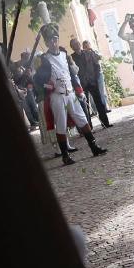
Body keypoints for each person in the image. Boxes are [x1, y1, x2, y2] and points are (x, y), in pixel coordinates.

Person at [33, 26, 107, 166]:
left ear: (57, 40)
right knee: (61, 125)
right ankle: (65, 156)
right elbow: (37, 80)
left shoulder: (64, 55)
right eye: (50, 41)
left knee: (83, 119)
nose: (53, 43)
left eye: (55, 40)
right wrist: (50, 86)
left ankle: (94, 147)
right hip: (57, 96)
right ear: (47, 43)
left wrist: (79, 90)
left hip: (70, 93)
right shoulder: (44, 59)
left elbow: (71, 75)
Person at [71, 38, 112, 128]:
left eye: (77, 43)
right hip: (81, 84)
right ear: (72, 47)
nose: (77, 45)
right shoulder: (71, 58)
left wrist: (96, 77)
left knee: (99, 103)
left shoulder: (88, 53)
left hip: (92, 81)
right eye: (74, 44)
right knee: (84, 107)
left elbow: (96, 65)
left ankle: (105, 123)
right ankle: (89, 127)